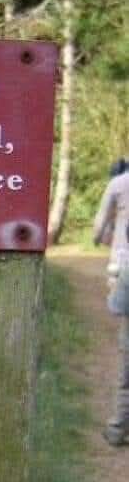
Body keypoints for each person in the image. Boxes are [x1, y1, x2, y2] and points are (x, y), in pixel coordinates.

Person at [93, 157, 129, 446]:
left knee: (125, 377)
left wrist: (96, 237)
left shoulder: (118, 183)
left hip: (120, 262)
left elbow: (116, 307)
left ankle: (118, 430)